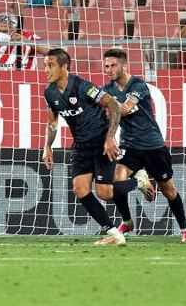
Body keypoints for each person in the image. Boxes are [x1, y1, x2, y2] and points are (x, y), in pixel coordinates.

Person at [102, 48, 186, 242]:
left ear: (124, 66)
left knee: (168, 189)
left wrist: (109, 108)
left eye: (113, 66)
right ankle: (127, 221)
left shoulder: (139, 85)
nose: (109, 70)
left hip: (153, 146)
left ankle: (185, 228)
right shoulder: (108, 89)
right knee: (117, 181)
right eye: (106, 66)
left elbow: (125, 109)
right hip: (130, 146)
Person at [41, 48, 126, 246]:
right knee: (80, 189)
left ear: (64, 67)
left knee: (105, 193)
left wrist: (110, 137)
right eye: (45, 65)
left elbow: (113, 104)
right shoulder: (49, 92)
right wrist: (47, 146)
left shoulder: (83, 86)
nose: (46, 69)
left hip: (100, 140)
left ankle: (138, 181)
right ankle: (115, 234)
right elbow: (52, 122)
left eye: (50, 65)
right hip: (80, 145)